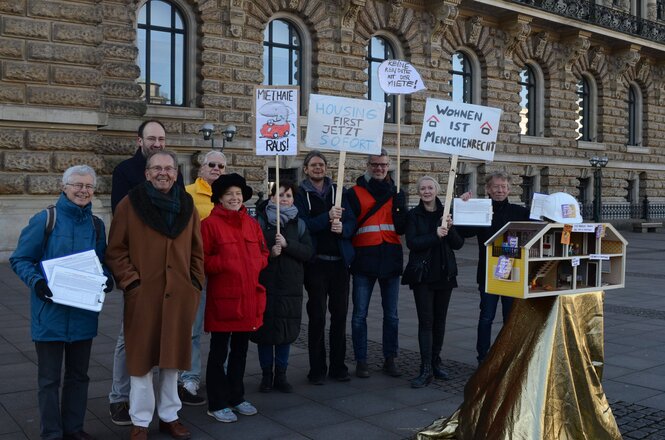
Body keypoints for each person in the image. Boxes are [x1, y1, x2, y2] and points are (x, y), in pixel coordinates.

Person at [106, 150, 204, 440]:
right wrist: (131, 283)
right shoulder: (130, 204)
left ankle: (169, 416)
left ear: (176, 173)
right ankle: (140, 420)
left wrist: (194, 283)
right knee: (141, 362)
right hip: (144, 296)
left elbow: (197, 251)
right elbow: (116, 249)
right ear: (147, 173)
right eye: (157, 168)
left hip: (180, 295)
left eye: (169, 168)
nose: (164, 173)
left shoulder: (187, 205)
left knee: (172, 361)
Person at [10, 165, 113, 440]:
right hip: (50, 313)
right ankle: (52, 433)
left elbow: (100, 263)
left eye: (89, 186)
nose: (83, 190)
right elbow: (20, 259)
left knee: (79, 376)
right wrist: (37, 282)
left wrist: (107, 278)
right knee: (49, 380)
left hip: (83, 313)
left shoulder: (96, 225)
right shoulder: (46, 219)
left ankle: (74, 428)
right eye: (78, 185)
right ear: (64, 187)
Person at [108, 120, 184, 425]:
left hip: (172, 280)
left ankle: (167, 409)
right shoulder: (125, 172)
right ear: (139, 140)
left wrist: (191, 281)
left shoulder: (173, 170)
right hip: (141, 276)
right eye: (151, 137)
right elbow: (120, 229)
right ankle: (119, 397)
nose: (157, 142)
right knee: (129, 342)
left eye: (161, 138)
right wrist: (131, 281)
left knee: (170, 343)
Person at [202, 173, 269, 423]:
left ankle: (236, 396)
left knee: (241, 351)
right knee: (219, 353)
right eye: (229, 194)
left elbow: (263, 251)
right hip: (224, 300)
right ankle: (217, 402)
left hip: (249, 297)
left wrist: (258, 262)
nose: (234, 198)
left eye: (238, 194)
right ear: (219, 198)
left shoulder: (251, 223)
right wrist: (225, 263)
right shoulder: (209, 225)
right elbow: (202, 259)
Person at [294, 150, 355, 384]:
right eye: (313, 165)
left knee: (340, 317)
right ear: (306, 169)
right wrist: (327, 218)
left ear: (327, 168)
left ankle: (338, 367)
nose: (318, 168)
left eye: (321, 165)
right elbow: (301, 225)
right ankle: (317, 369)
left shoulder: (340, 192)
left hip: (339, 264)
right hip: (316, 263)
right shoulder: (300, 194)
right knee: (317, 316)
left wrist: (344, 229)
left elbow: (352, 221)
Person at [458, 171, 530, 364]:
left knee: (510, 319)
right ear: (488, 189)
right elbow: (463, 232)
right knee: (486, 318)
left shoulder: (520, 212)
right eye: (496, 187)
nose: (500, 190)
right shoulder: (481, 209)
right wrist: (462, 206)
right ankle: (483, 357)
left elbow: (539, 226)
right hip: (488, 273)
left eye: (504, 187)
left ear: (509, 189)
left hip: (512, 273)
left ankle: (507, 356)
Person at [347, 148, 407, 378]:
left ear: (389, 165)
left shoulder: (397, 193)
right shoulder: (354, 193)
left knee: (391, 315)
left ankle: (390, 358)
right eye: (375, 164)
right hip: (364, 259)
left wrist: (401, 208)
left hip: (390, 258)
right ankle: (361, 360)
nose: (380, 168)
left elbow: (401, 228)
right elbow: (349, 227)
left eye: (383, 165)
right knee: (359, 314)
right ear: (368, 166)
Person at [252, 180, 314, 393]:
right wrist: (271, 253)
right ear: (271, 198)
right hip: (266, 284)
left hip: (290, 287)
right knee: (265, 333)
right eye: (280, 195)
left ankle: (281, 374)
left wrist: (288, 245)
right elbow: (252, 252)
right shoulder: (259, 221)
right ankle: (266, 375)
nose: (285, 199)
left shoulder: (300, 223)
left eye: (288, 195)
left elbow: (308, 252)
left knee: (286, 332)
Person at [403, 176, 464, 388]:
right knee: (426, 321)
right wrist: (435, 234)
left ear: (437, 190)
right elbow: (412, 242)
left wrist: (450, 227)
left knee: (440, 321)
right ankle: (425, 367)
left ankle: (436, 362)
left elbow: (458, 244)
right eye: (423, 188)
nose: (427, 191)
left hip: (445, 275)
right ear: (418, 192)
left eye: (430, 188)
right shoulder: (414, 215)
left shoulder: (446, 212)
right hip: (423, 276)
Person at [178, 150, 227, 406]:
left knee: (223, 327)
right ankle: (189, 377)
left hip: (222, 272)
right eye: (212, 164)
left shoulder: (228, 197)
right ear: (201, 168)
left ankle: (222, 374)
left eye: (221, 165)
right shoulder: (186, 193)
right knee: (193, 328)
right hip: (196, 270)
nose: (216, 168)